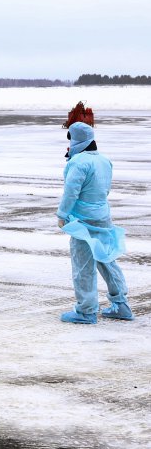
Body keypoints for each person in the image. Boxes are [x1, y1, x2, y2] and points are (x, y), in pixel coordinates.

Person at [56, 122, 133, 324]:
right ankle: (121, 304)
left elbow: (71, 191)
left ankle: (86, 310)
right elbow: (105, 190)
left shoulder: (79, 162)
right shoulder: (104, 160)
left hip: (83, 220)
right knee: (106, 258)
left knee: (83, 264)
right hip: (102, 216)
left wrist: (62, 214)